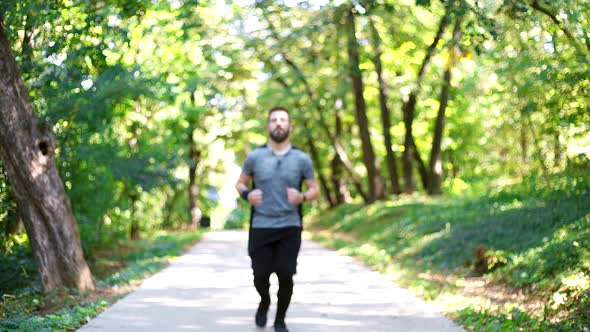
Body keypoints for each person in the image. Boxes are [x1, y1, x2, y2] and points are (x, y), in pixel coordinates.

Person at [235, 106, 319, 332]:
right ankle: (264, 301)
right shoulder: (255, 156)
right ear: (268, 126)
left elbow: (315, 190)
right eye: (274, 120)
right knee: (260, 275)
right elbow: (240, 183)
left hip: (290, 226)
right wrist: (247, 194)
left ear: (290, 126)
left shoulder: (302, 159)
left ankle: (280, 319)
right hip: (261, 225)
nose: (278, 124)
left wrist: (301, 196)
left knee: (285, 275)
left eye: (283, 120)